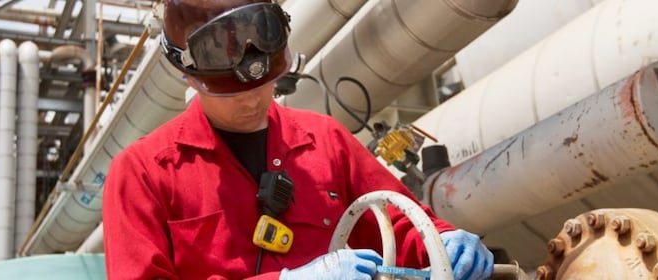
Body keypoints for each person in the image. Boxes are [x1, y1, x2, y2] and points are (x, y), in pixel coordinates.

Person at [101, 0, 493, 279]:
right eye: (234, 92)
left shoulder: (326, 141)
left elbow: (402, 226)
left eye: (266, 82)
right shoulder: (143, 174)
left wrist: (446, 240)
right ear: (187, 76)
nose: (255, 98)